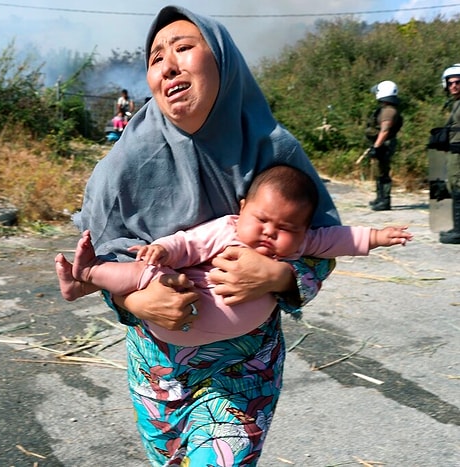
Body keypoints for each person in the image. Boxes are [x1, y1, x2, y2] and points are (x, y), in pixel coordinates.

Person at [64, 6, 341, 465]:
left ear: (223, 62)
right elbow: (99, 266)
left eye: (184, 48)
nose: (168, 64)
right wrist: (133, 302)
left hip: (244, 365)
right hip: (159, 370)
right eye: (155, 58)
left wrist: (276, 276)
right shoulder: (123, 165)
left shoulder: (273, 150)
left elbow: (323, 247)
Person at [56, 164, 412, 346]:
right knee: (139, 273)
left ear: (303, 232)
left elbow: (338, 239)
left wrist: (379, 236)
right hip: (170, 315)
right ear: (242, 210)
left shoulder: (300, 246)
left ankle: (84, 279)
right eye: (261, 220)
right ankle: (86, 277)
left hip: (238, 365)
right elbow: (189, 243)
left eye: (286, 228)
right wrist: (162, 249)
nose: (271, 232)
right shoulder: (227, 228)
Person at [364, 80, 404, 211]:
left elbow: (385, 130)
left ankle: (385, 200)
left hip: (384, 144)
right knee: (379, 171)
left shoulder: (388, 111)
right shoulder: (387, 109)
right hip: (382, 144)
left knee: (383, 172)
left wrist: (376, 146)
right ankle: (379, 198)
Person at [439, 64, 460, 244]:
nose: (453, 86)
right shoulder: (456, 104)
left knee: (458, 189)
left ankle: (458, 231)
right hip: (454, 153)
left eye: (458, 82)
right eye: (450, 82)